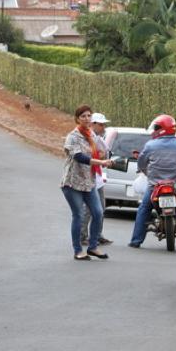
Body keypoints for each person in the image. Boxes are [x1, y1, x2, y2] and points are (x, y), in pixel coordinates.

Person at [129, 114, 176, 248]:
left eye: (157, 127)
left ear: (162, 129)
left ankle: (136, 241)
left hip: (155, 186)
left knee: (144, 208)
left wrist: (146, 172)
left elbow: (141, 163)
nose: (155, 130)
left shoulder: (150, 145)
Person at [62, 105, 114, 260]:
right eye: (83, 116)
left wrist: (103, 156)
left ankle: (93, 247)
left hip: (89, 181)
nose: (86, 118)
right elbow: (80, 157)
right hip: (73, 182)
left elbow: (100, 151)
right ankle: (78, 250)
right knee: (78, 215)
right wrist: (100, 162)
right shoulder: (73, 136)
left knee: (98, 213)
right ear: (77, 119)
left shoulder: (92, 135)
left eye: (88, 115)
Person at [80, 112, 113, 246]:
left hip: (97, 177)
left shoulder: (97, 138)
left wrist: (103, 157)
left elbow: (104, 154)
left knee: (100, 208)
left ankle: (97, 235)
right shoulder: (86, 138)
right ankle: (82, 236)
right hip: (88, 177)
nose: (103, 127)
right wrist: (100, 157)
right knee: (88, 209)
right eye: (101, 124)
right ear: (93, 124)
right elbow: (85, 157)